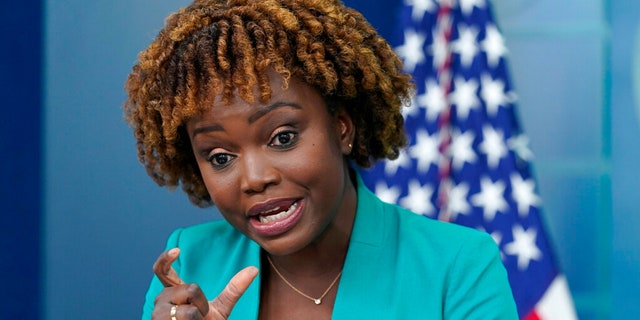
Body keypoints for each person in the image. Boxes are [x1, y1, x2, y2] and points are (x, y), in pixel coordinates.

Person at [124, 0, 519, 319]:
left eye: (283, 137)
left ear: (342, 128)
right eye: (221, 156)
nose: (254, 178)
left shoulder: (456, 265)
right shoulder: (190, 264)